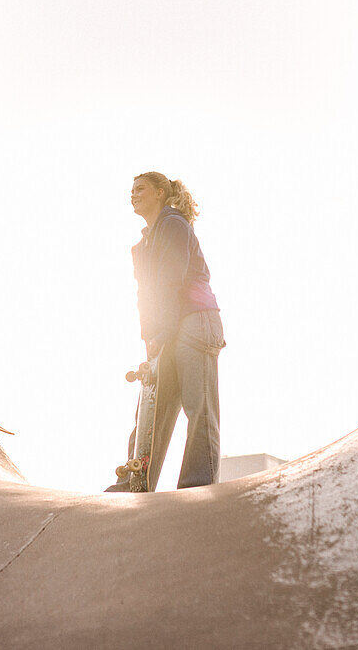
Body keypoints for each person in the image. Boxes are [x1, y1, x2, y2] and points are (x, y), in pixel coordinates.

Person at [106, 172, 226, 491]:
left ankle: (197, 484)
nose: (133, 194)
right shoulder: (143, 243)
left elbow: (171, 279)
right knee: (151, 407)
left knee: (198, 406)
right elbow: (144, 294)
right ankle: (134, 480)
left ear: (160, 193)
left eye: (140, 189)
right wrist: (150, 334)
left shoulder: (173, 225)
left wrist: (159, 331)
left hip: (195, 321)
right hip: (168, 327)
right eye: (131, 190)